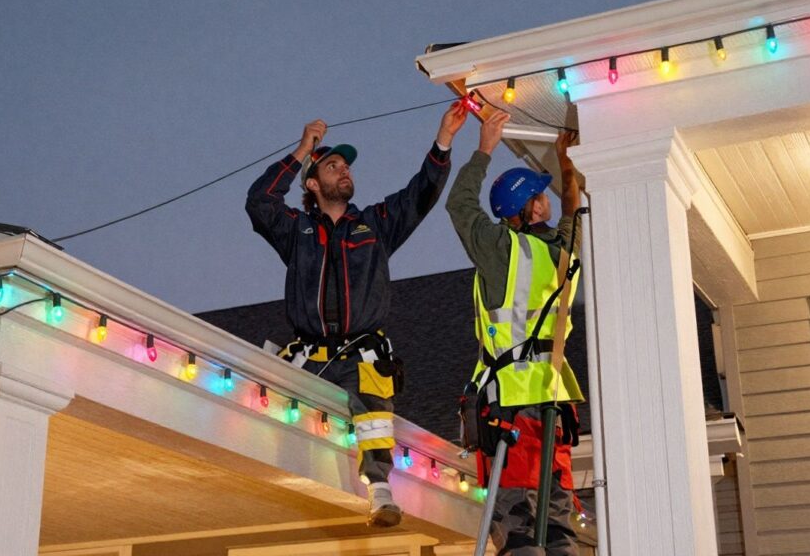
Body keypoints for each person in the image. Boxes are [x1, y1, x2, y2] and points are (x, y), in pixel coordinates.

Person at [245, 102, 468, 527]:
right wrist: (300, 151)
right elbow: (259, 202)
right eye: (332, 166)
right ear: (312, 183)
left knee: (372, 408)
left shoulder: (374, 225)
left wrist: (444, 140)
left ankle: (380, 491)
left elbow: (420, 193)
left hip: (361, 357)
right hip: (307, 359)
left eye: (346, 166)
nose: (344, 171)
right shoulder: (297, 231)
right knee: (266, 418)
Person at [445, 108, 584, 555]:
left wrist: (484, 147)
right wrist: (565, 163)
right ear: (521, 208)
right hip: (553, 400)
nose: (544, 202)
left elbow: (459, 205)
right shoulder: (562, 252)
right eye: (536, 197)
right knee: (556, 516)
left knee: (517, 521)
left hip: (510, 401)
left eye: (544, 196)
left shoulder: (501, 248)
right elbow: (573, 211)